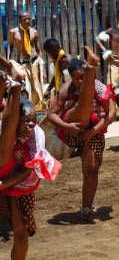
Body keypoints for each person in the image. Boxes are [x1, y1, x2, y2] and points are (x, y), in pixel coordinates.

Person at [0, 61, 61, 260]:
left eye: (34, 119)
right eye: (26, 120)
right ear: (16, 119)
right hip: (4, 173)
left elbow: (28, 170)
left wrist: (2, 185)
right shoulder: (4, 129)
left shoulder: (37, 134)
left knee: (22, 235)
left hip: (20, 182)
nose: (31, 124)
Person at [47, 47, 115, 224]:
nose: (80, 81)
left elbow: (111, 113)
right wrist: (66, 126)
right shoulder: (65, 89)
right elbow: (51, 114)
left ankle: (86, 209)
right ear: (71, 77)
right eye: (77, 78)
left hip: (93, 131)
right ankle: (93, 65)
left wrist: (93, 131)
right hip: (72, 127)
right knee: (82, 107)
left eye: (83, 77)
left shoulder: (99, 87)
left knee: (91, 171)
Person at [7, 11, 47, 110]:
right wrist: (8, 59)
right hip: (23, 63)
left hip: (34, 61)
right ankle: (27, 109)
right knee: (26, 88)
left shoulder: (34, 32)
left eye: (29, 18)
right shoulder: (13, 32)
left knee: (38, 87)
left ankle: (39, 109)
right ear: (20, 20)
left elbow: (38, 50)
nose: (28, 21)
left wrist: (43, 69)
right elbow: (10, 46)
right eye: (25, 19)